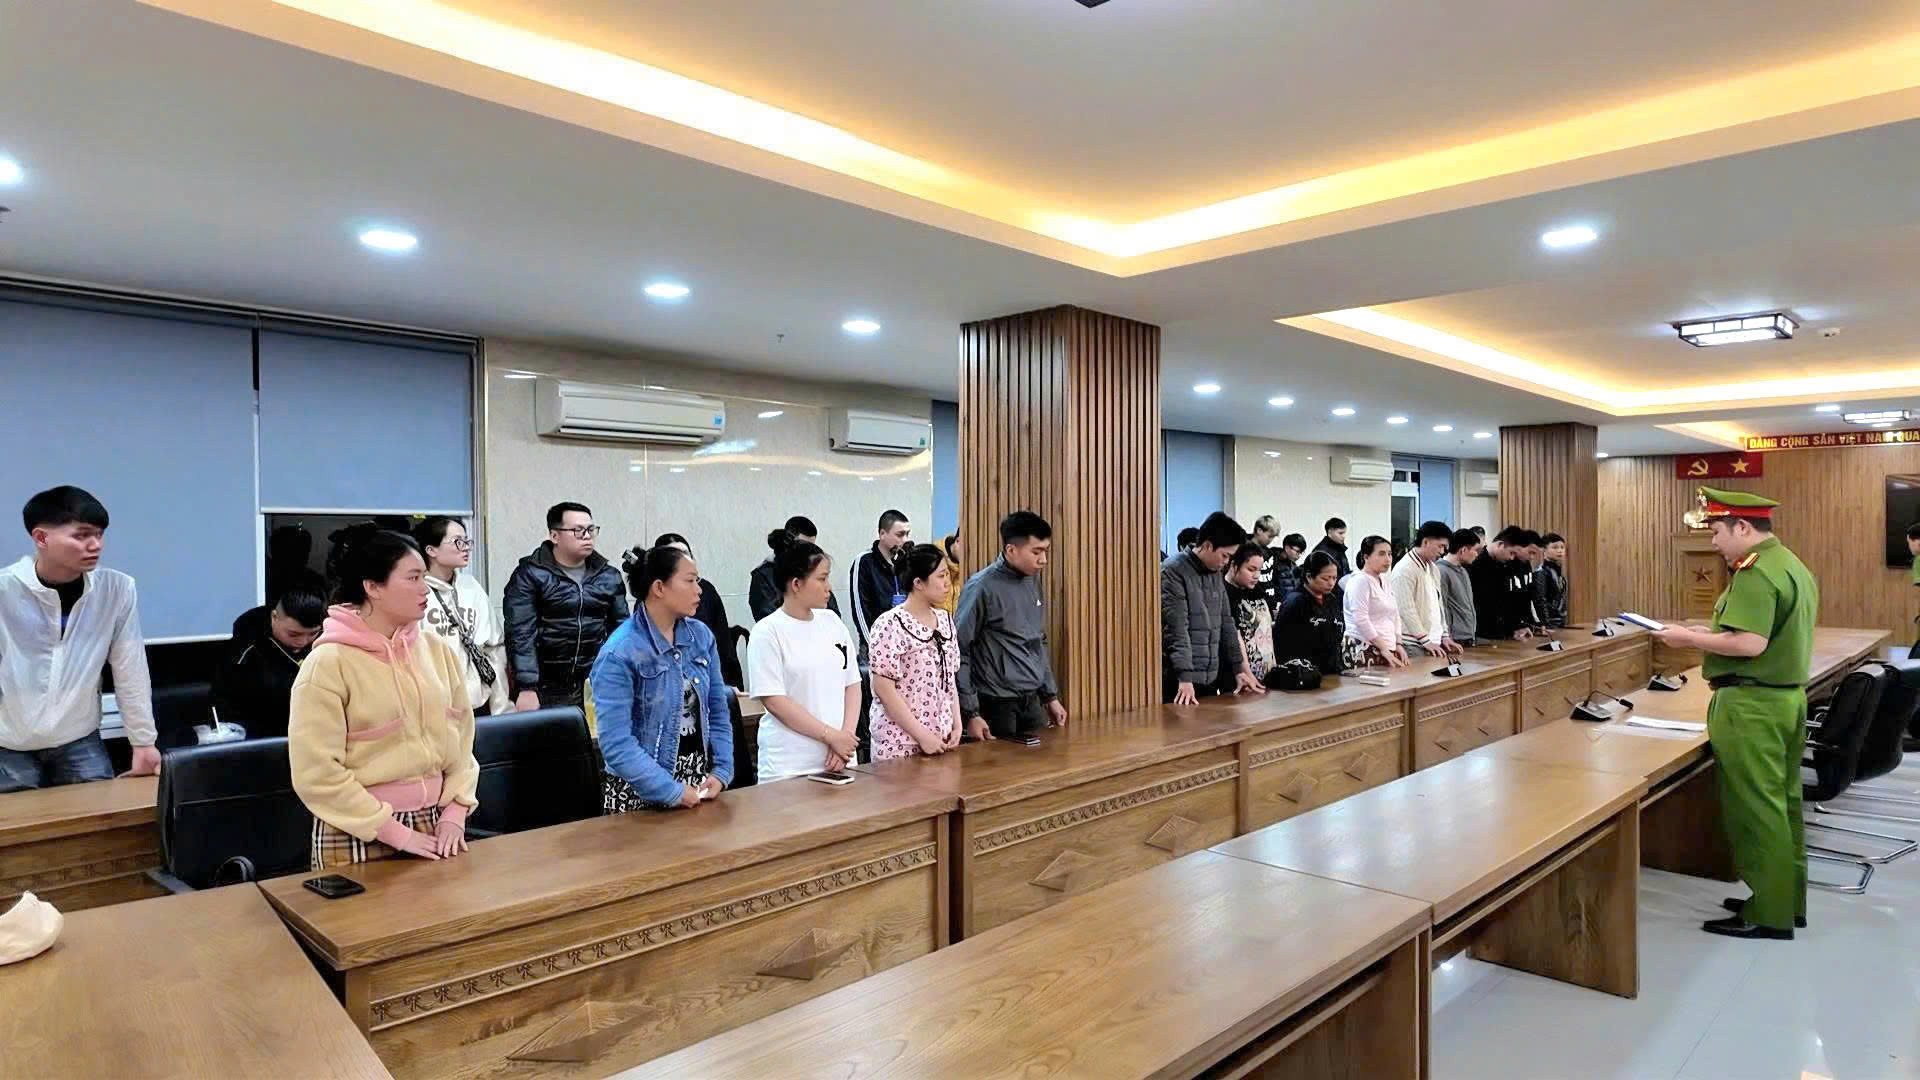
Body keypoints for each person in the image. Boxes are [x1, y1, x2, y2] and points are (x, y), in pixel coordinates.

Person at [1654, 487, 1817, 940]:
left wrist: (1688, 640)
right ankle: (1786, 900)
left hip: (1752, 705)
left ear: (1743, 527)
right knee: (1783, 804)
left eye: (1717, 532)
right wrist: (1705, 632)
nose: (1713, 542)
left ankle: (1768, 914)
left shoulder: (1755, 572)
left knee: (1757, 808)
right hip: (1785, 700)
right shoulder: (1789, 564)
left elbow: (1749, 643)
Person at [289, 531, 478, 869]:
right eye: (413, 578)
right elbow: (316, 773)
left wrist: (456, 810)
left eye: (425, 577)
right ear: (372, 587)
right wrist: (395, 832)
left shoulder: (437, 651)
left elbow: (463, 741)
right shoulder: (328, 663)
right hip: (357, 828)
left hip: (437, 823)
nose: (425, 589)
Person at [0, 487, 159, 790]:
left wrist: (143, 741)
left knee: (100, 817)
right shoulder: (5, 590)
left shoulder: (116, 589)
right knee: (17, 820)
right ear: (41, 538)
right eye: (81, 535)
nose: (95, 545)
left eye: (99, 535)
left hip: (78, 738)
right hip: (8, 743)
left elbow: (130, 667)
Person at [591, 545, 734, 812]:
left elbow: (717, 710)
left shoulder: (701, 636)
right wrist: (671, 790)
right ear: (659, 588)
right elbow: (616, 744)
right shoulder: (620, 652)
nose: (699, 590)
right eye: (690, 581)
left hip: (696, 783)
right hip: (639, 792)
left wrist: (722, 771)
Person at [748, 540, 861, 781]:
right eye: (822, 579)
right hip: (790, 766)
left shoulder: (832, 622)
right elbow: (775, 701)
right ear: (796, 584)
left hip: (840, 759)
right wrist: (830, 735)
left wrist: (845, 738)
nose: (829, 587)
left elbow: (852, 684)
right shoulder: (767, 632)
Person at [502, 502, 629, 712]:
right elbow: (521, 633)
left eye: (591, 530)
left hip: (595, 684)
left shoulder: (609, 576)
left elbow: (621, 631)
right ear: (555, 536)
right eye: (578, 531)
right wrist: (527, 687)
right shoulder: (530, 575)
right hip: (545, 687)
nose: (587, 536)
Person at [956, 511, 1069, 740]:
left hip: (1032, 701)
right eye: (1036, 552)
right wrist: (971, 712)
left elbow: (1038, 641)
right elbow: (959, 649)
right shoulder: (981, 587)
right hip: (996, 704)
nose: (1043, 560)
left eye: (1045, 551)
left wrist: (1050, 696)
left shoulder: (1032, 579)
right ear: (1011, 550)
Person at [867, 544, 963, 760]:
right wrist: (922, 736)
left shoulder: (946, 620)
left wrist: (957, 724)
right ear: (918, 583)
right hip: (899, 743)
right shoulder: (890, 623)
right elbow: (883, 688)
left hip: (942, 739)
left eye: (947, 575)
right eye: (941, 576)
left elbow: (949, 680)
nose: (947, 583)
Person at [1162, 512, 1265, 704]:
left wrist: (1239, 669)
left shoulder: (1215, 573)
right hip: (1179, 680)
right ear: (1208, 545)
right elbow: (1176, 628)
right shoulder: (1173, 570)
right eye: (1225, 555)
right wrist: (1184, 677)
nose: (1226, 562)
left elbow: (1227, 623)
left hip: (1209, 676)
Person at [415, 517, 510, 719]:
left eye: (467, 541)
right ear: (431, 550)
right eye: (458, 542)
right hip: (435, 707)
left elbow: (494, 648)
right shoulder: (416, 591)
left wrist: (501, 707)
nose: (466, 547)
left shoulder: (471, 586)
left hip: (478, 701)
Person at [212, 574, 326, 739]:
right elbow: (224, 706)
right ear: (274, 617)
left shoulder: (328, 643)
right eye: (293, 634)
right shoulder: (243, 652)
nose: (303, 641)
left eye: (312, 633)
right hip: (261, 740)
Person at [650, 534, 744, 689]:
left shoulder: (706, 591)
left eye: (686, 555)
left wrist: (730, 688)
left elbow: (724, 646)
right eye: (674, 557)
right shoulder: (651, 598)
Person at [749, 515, 842, 622]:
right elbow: (768, 618)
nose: (808, 551)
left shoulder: (813, 570)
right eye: (803, 545)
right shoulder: (763, 575)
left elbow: (833, 614)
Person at [1389, 520, 1459, 657]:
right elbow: (1406, 609)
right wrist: (1425, 640)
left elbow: (1439, 605)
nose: (1442, 552)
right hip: (1413, 643)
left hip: (1433, 641)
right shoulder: (1404, 569)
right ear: (1426, 542)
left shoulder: (1433, 568)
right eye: (1440, 546)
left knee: (1452, 669)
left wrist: (1444, 635)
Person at [1273, 552, 1346, 674]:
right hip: (1304, 673)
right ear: (1309, 576)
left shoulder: (1331, 599)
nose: (1331, 583)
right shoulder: (1295, 602)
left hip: (1332, 670)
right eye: (1325, 578)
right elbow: (1283, 644)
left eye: (1334, 578)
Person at [1342, 535, 1408, 668]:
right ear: (1366, 557)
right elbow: (1361, 619)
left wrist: (1398, 643)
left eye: (1389, 554)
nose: (1387, 559)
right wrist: (1382, 646)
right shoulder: (1359, 581)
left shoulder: (1385, 581)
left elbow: (1395, 615)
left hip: (1387, 646)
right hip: (1363, 646)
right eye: (1381, 554)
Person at [1468, 527, 1539, 641]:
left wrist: (1517, 626)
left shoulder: (1505, 565)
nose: (1512, 558)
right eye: (1511, 553)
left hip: (1504, 634)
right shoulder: (1473, 565)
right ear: (1500, 545)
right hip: (1481, 634)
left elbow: (1509, 601)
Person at [1225, 542, 1277, 681]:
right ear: (1234, 566)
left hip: (1267, 672)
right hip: (1240, 676)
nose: (1256, 575)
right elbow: (1234, 638)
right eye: (1251, 569)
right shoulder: (1225, 595)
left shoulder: (1257, 589)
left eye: (1259, 570)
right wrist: (1246, 673)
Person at [1435, 529, 1482, 645]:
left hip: (1468, 636)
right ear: (1463, 550)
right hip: (1453, 639)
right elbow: (1442, 607)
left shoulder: (1464, 571)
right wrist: (1446, 635)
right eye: (1475, 550)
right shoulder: (1441, 571)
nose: (1477, 554)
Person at [1534, 532, 1569, 628]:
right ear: (1544, 550)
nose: (1560, 550)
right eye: (1555, 547)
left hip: (1560, 622)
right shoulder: (1541, 572)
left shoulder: (1558, 571)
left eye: (1562, 547)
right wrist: (1545, 623)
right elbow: (1540, 600)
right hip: (1548, 624)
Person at [1268, 533, 1308, 613]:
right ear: (1286, 547)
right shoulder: (1272, 562)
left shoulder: (1293, 566)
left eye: (1301, 552)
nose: (1299, 555)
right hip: (1275, 607)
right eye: (1297, 551)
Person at [937, 533, 963, 615]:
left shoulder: (966, 568)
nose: (969, 555)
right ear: (958, 541)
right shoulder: (933, 561)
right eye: (968, 550)